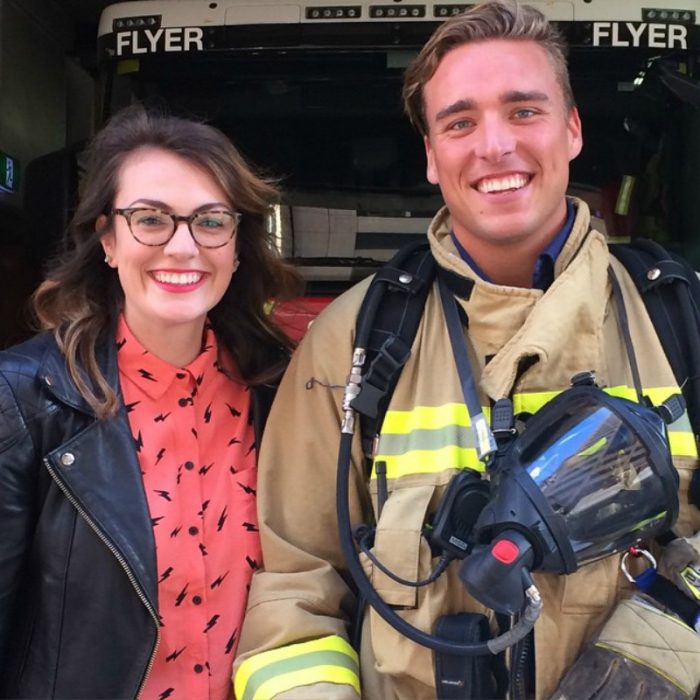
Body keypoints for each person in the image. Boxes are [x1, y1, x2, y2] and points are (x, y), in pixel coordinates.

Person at [232, 2, 700, 699]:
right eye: (459, 121)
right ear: (431, 154)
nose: (494, 145)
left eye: (523, 111)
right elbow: (295, 593)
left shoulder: (680, 319)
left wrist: (634, 674)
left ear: (571, 129)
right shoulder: (352, 342)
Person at [0, 106, 301, 699]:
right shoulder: (25, 398)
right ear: (107, 240)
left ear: (237, 244)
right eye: (151, 219)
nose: (184, 246)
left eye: (211, 221)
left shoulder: (279, 390)